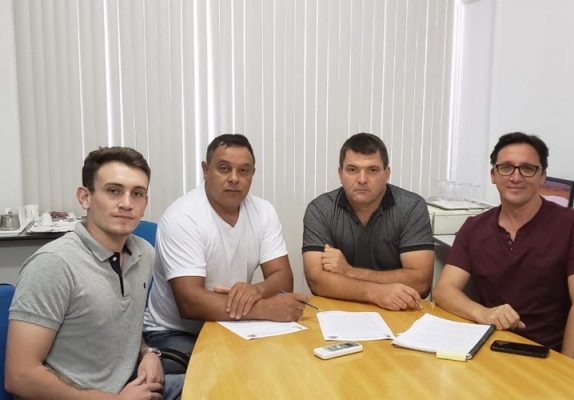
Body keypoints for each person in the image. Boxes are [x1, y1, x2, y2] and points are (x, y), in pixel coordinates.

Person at [6, 147, 182, 398]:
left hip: (127, 386)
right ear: (85, 197)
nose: (126, 203)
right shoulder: (53, 265)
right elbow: (20, 376)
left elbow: (119, 328)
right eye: (113, 191)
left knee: (218, 384)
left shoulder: (144, 254)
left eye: (137, 193)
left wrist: (148, 353)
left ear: (145, 203)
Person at [144, 134, 306, 373]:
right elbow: (190, 303)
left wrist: (256, 290)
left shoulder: (264, 211)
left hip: (234, 323)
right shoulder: (182, 217)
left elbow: (283, 279)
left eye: (244, 171)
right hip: (176, 332)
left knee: (289, 363)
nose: (234, 178)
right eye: (224, 168)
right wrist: (265, 308)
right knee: (232, 373)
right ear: (205, 170)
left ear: (252, 174)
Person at [433, 132, 574, 364]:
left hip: (551, 354)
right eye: (506, 167)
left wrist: (567, 370)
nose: (516, 177)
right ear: (493, 175)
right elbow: (444, 291)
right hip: (493, 348)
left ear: (543, 176)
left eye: (527, 168)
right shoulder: (474, 227)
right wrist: (483, 313)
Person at [302, 133, 434, 311]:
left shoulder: (411, 207)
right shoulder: (320, 210)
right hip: (337, 312)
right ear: (340, 173)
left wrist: (349, 272)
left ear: (386, 174)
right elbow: (317, 281)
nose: (362, 179)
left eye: (372, 170)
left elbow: (421, 282)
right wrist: (375, 293)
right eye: (352, 170)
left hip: (398, 311)